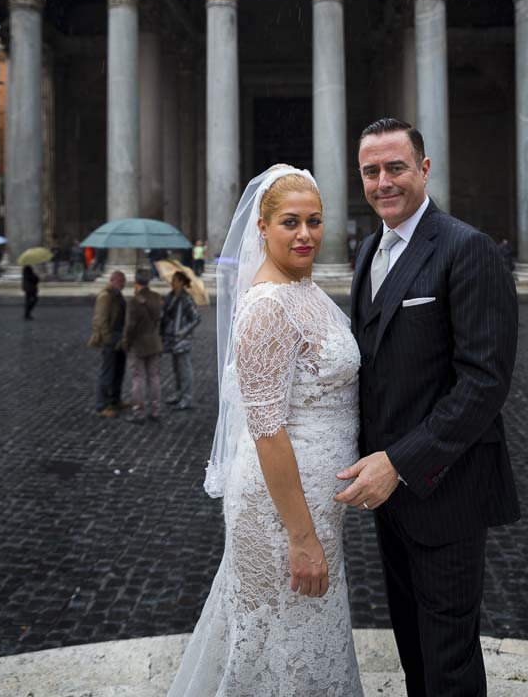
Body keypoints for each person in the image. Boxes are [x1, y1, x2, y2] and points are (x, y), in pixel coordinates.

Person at [336, 117, 520, 697]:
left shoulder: (470, 249)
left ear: (424, 168)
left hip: (447, 489)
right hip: (392, 497)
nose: (383, 181)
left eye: (395, 167)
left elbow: (484, 383)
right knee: (413, 647)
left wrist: (400, 462)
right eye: (371, 171)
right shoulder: (369, 249)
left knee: (449, 662)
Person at [168, 166, 363, 696]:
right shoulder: (268, 306)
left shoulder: (305, 289)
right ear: (263, 226)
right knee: (269, 640)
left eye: (315, 221)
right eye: (290, 222)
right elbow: (268, 429)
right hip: (280, 508)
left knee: (300, 632)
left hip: (318, 499)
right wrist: (302, 537)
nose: (305, 234)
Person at [122, 268, 163, 423]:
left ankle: (138, 412)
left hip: (138, 345)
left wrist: (126, 342)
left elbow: (129, 327)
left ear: (136, 281)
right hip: (154, 342)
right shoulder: (157, 297)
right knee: (154, 377)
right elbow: (159, 318)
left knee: (138, 379)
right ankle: (155, 410)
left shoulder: (133, 302)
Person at [88, 270, 128, 418]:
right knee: (107, 373)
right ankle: (101, 406)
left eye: (123, 281)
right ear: (113, 280)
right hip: (111, 340)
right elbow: (101, 320)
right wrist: (109, 339)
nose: (123, 284)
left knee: (119, 371)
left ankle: (115, 400)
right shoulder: (105, 297)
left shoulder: (117, 295)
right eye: (120, 281)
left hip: (120, 339)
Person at [161, 271, 201, 410]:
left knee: (184, 369)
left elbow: (196, 318)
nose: (172, 282)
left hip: (182, 340)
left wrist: (183, 331)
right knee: (176, 369)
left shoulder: (186, 299)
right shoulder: (170, 296)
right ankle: (178, 394)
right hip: (171, 339)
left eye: (175, 280)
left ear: (182, 282)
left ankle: (187, 398)